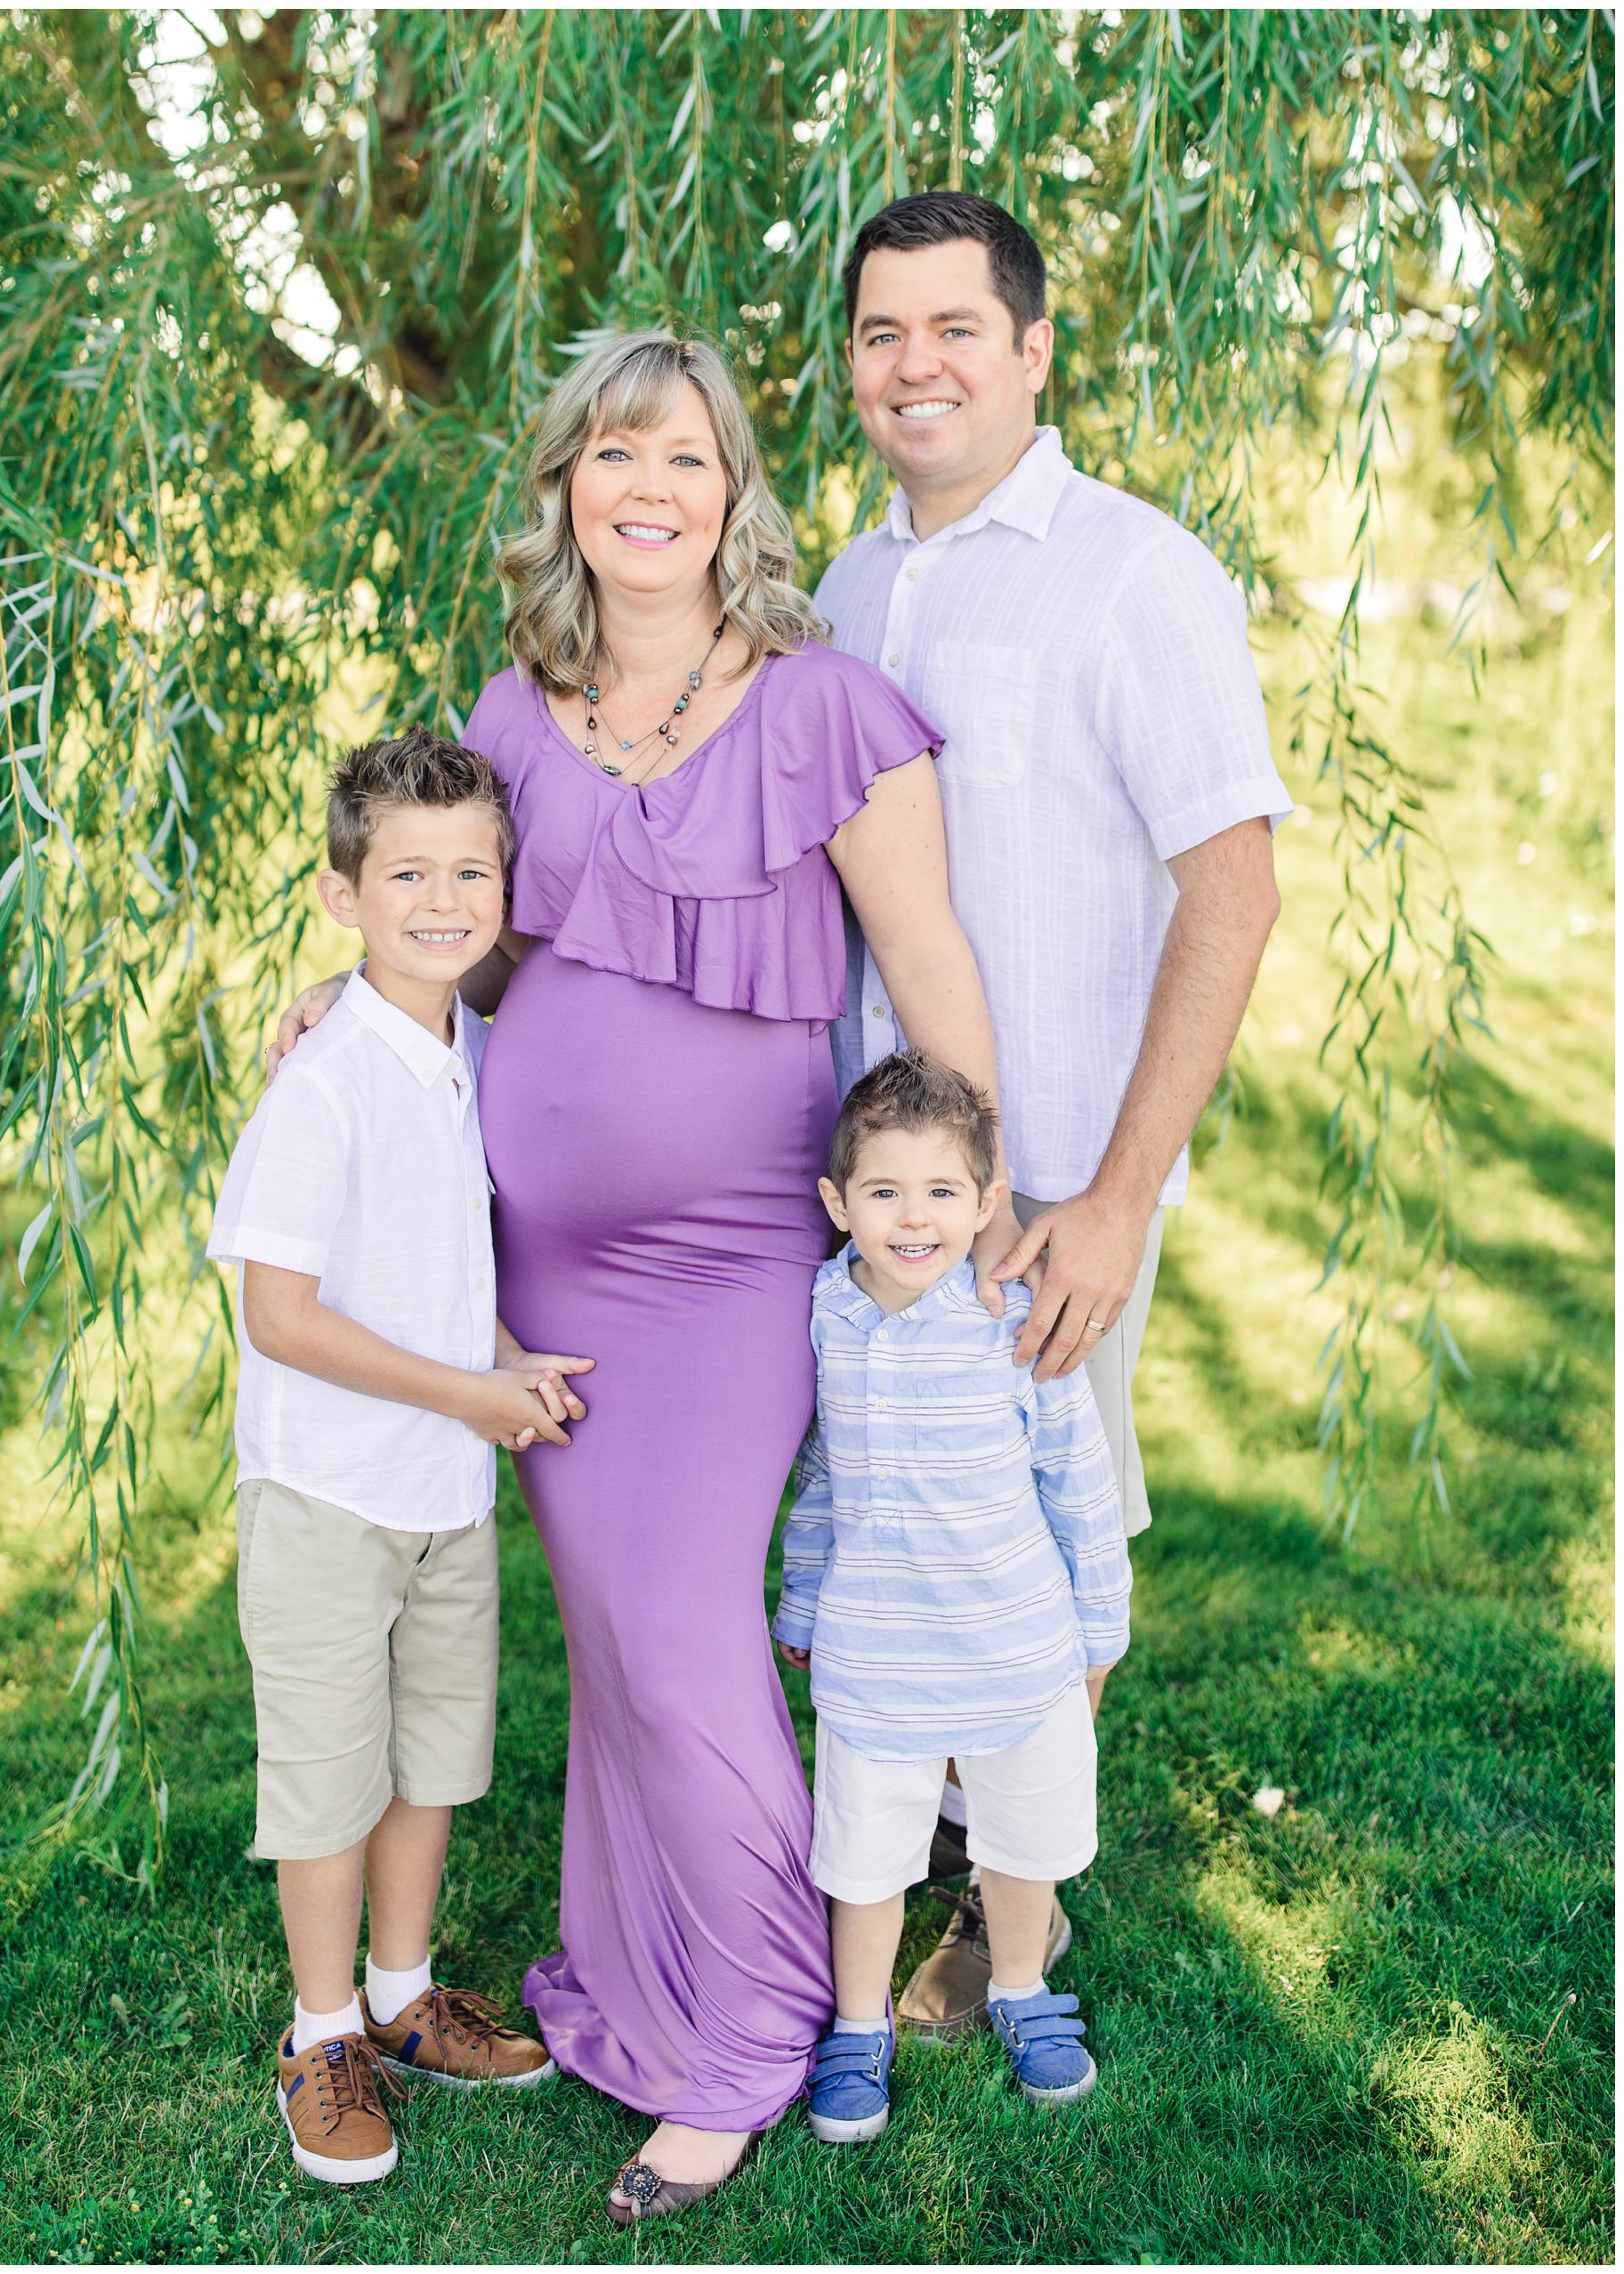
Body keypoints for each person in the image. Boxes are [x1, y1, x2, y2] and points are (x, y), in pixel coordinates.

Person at [270, 331, 1014, 2225]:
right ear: (567, 494)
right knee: (614, 1645)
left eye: (679, 453)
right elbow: (487, 947)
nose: (645, 486)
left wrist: (957, 1209)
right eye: (610, 454)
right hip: (537, 1259)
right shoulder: (520, 714)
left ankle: (752, 2030)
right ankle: (635, 1977)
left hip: (727, 1257)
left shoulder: (830, 705)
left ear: (731, 486)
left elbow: (929, 973)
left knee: (684, 1633)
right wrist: (352, 997)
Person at [819, 190, 1289, 2037]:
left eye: (953, 327)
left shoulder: (1131, 570)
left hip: (1053, 1190)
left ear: (1031, 349)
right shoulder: (855, 583)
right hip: (879, 1196)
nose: (913, 362)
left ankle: (1006, 1916)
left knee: (1037, 1546)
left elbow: (1231, 888)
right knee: (903, 1518)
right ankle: (922, 1849)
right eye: (880, 332)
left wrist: (1109, 1194)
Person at [209, 732, 596, 2186]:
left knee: (428, 1763)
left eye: (470, 871)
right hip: (330, 1493)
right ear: (340, 894)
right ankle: (321, 2037)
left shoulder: (471, 1051)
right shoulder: (323, 1086)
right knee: (328, 1778)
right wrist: (463, 1389)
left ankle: (400, 1993)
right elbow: (281, 1313)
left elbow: (434, 1255)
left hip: (444, 1484)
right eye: (408, 873)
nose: (443, 899)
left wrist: (492, 1362)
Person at [773, 1051, 1130, 2139]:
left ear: (984, 1201)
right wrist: (798, 1598)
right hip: (875, 1646)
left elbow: (1078, 1477)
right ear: (838, 1203)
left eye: (940, 1192)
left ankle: (1020, 1988)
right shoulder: (827, 1312)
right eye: (883, 1191)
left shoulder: (1008, 1318)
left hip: (1013, 1638)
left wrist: (1098, 1622)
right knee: (865, 1848)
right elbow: (824, 1470)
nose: (913, 1218)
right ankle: (855, 2025)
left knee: (1018, 1836)